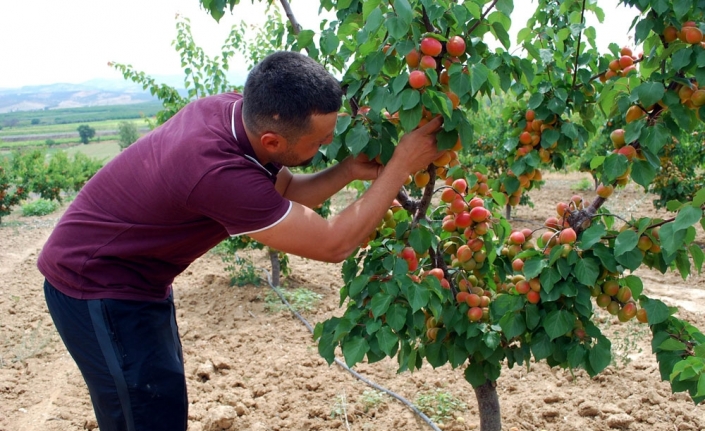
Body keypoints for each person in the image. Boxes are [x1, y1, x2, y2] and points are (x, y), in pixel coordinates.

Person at [38, 51, 443, 431]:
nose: (325, 148)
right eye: (318, 142)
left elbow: (286, 191)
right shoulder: (216, 172)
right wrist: (400, 166)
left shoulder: (234, 114)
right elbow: (333, 244)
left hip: (137, 278)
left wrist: (349, 171)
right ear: (272, 142)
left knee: (162, 402)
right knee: (145, 415)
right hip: (94, 285)